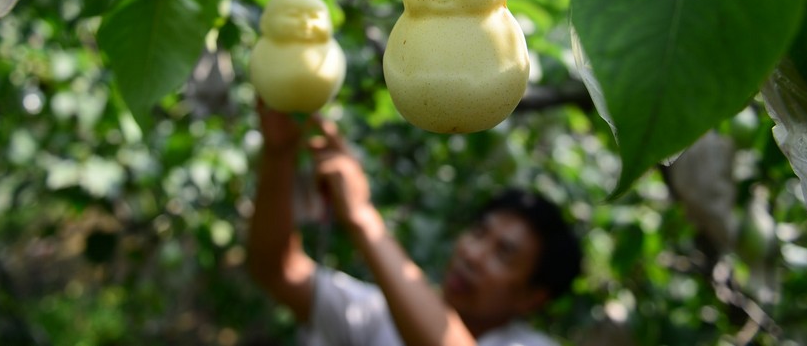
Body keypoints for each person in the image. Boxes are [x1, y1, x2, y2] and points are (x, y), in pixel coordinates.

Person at [248, 100, 583, 346]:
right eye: (479, 233)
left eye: (503, 254)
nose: (474, 255)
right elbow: (277, 270)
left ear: (533, 297)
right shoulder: (378, 316)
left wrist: (363, 216)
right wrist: (281, 151)